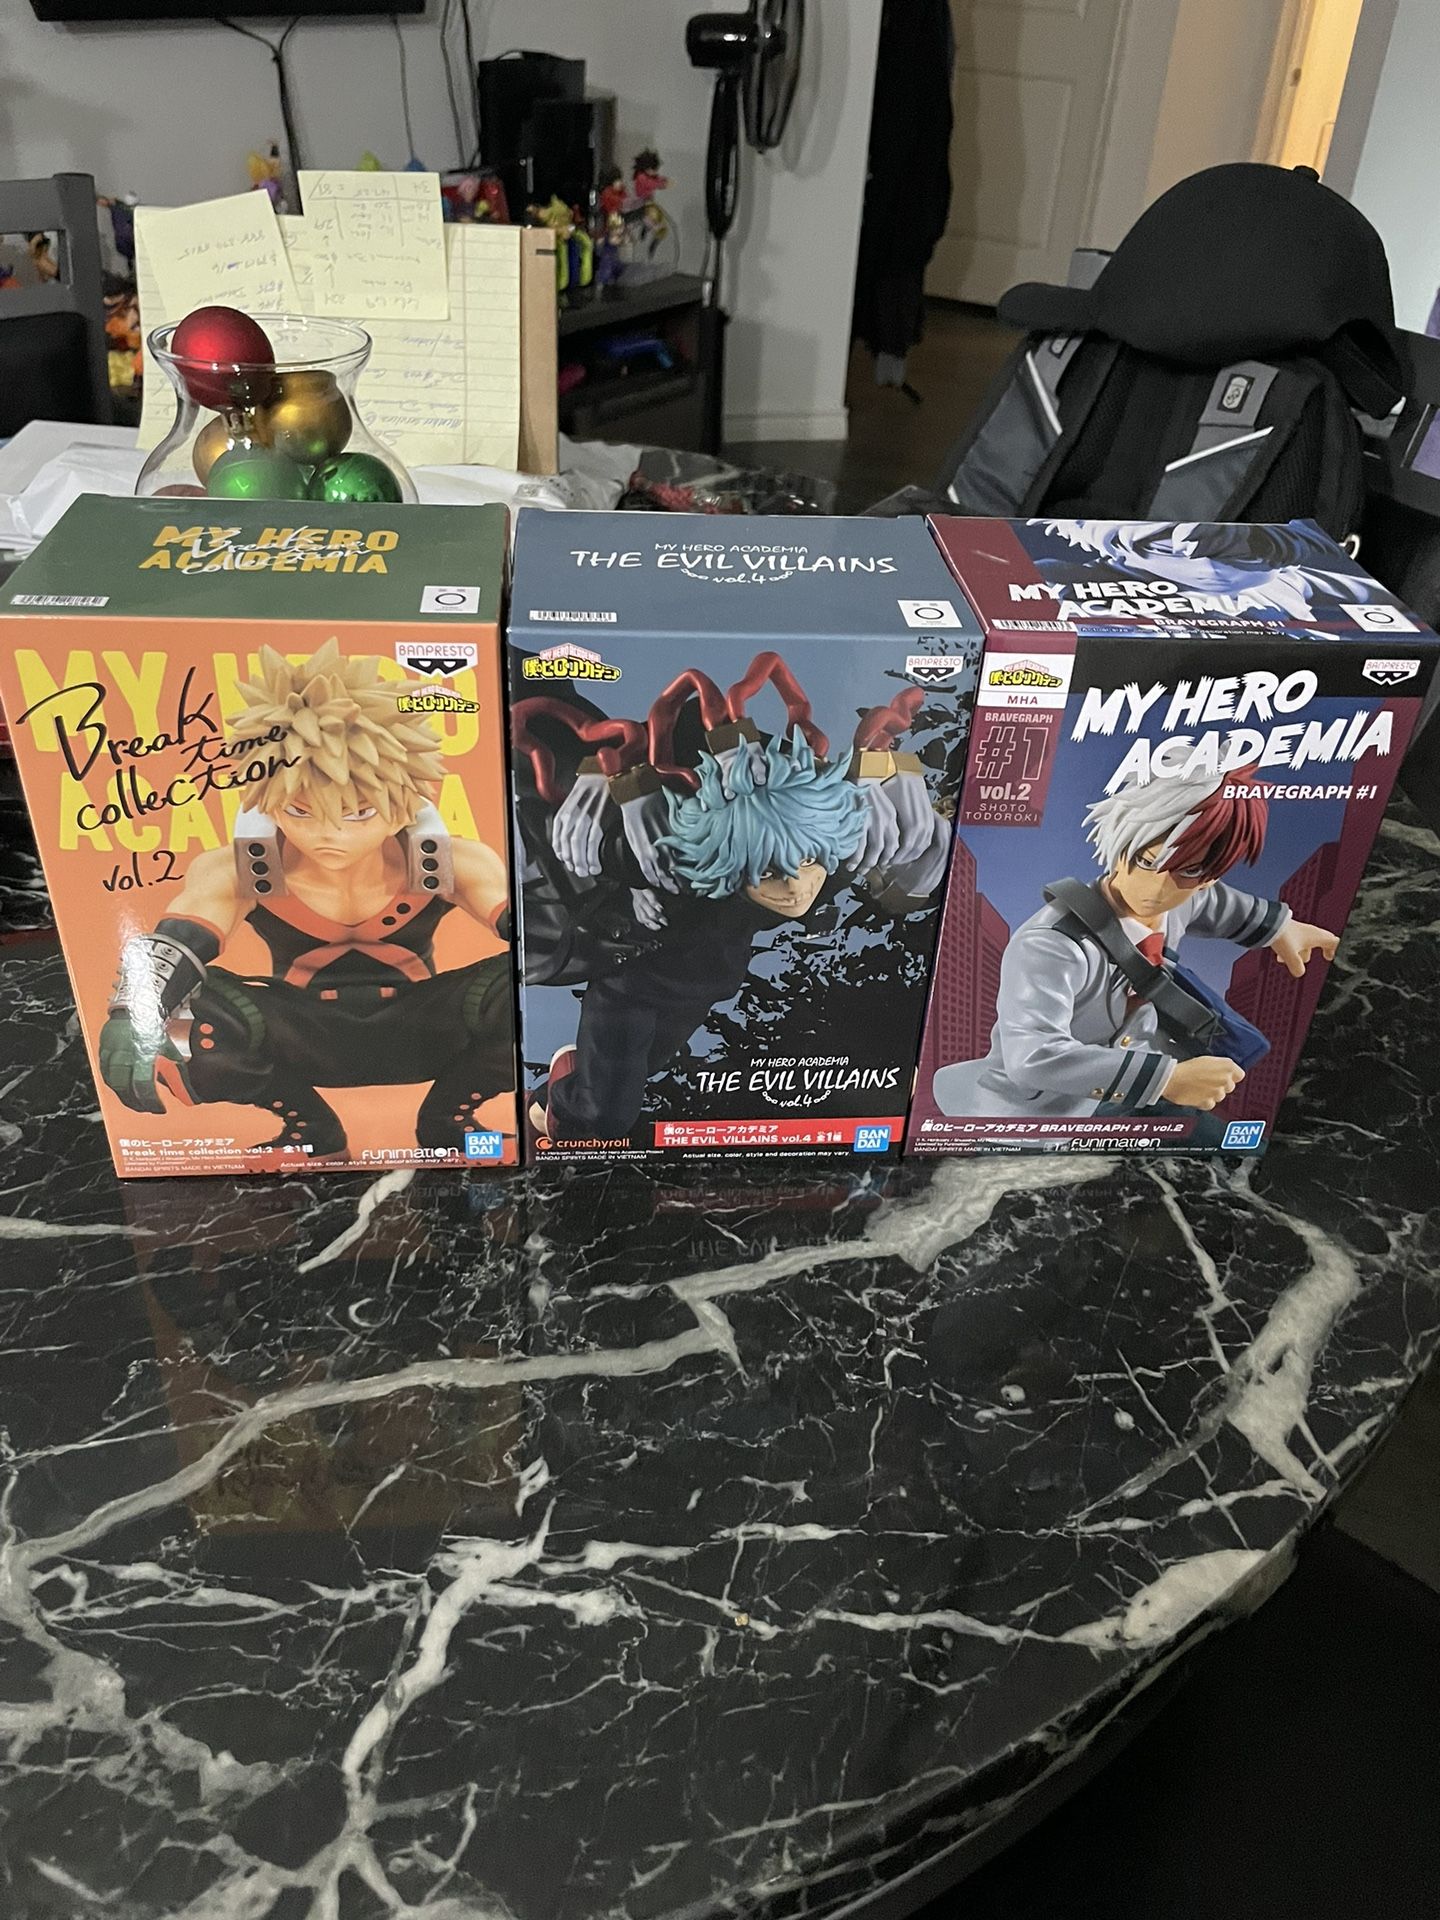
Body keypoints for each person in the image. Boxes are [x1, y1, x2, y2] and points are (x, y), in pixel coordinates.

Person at [99, 641, 513, 1158]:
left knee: (527, 982)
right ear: (268, 802)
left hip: (429, 1031)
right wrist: (131, 1011)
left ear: (409, 802)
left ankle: (447, 1120)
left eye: (358, 813)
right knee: (184, 1012)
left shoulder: (450, 861)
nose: (328, 833)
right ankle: (311, 1129)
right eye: (300, 811)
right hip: (296, 1039)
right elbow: (177, 942)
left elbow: (534, 935)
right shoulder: (240, 868)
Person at [932, 767, 1339, 1143]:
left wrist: (1280, 927)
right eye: (1146, 860)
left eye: (1188, 870)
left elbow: (1216, 902)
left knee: (1232, 1146)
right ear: (1122, 838)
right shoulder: (1052, 944)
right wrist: (1167, 1079)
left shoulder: (1184, 898)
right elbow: (1032, 1057)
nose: (1155, 888)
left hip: (1135, 1081)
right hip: (1044, 1112)